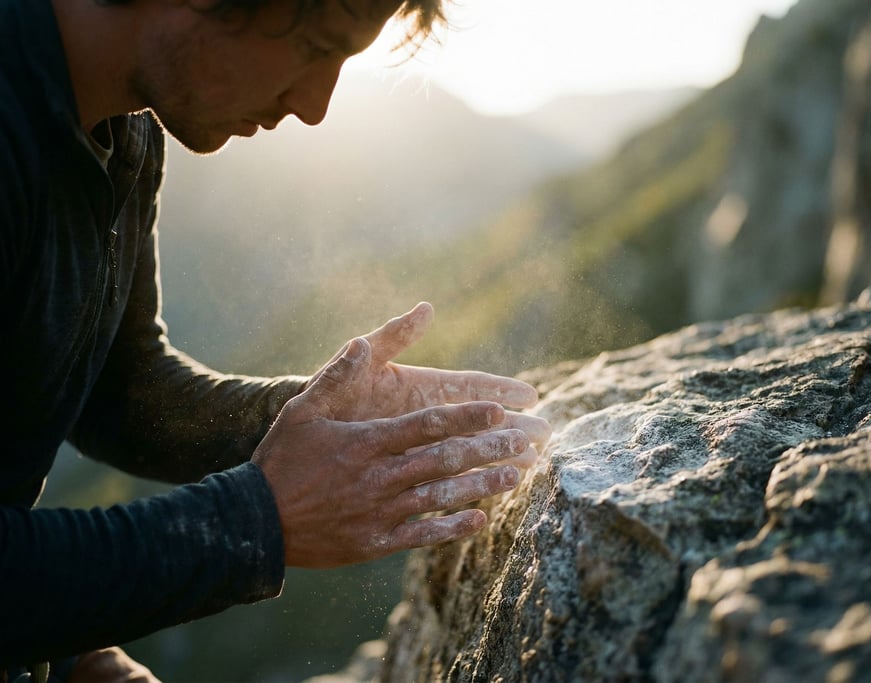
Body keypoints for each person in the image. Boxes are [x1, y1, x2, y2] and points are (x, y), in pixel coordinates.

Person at [0, 0, 552, 679]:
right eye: (317, 46)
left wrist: (321, 420)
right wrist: (257, 520)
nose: (315, 106)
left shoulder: (125, 132)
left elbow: (121, 390)